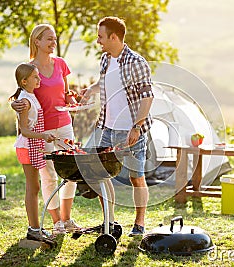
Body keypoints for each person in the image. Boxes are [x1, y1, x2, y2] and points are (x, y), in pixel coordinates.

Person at [81, 16, 154, 236]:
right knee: (100, 175)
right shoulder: (105, 59)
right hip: (107, 128)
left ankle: (139, 223)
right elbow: (103, 83)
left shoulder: (136, 62)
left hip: (132, 129)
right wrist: (90, 91)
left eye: (101, 36)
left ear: (114, 37)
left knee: (136, 177)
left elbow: (147, 97)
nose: (98, 41)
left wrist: (137, 127)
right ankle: (109, 222)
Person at [11, 24, 81, 234]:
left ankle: (67, 219)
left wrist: (71, 99)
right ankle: (56, 220)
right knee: (49, 176)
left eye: (55, 39)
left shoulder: (61, 64)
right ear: (37, 42)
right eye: (49, 39)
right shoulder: (29, 69)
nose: (53, 43)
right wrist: (14, 105)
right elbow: (22, 96)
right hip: (43, 132)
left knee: (71, 172)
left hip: (65, 125)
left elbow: (66, 92)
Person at [9, 63, 56, 242]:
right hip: (27, 146)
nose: (39, 79)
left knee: (34, 186)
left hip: (33, 145)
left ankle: (36, 227)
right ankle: (33, 229)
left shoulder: (29, 96)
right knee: (33, 187)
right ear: (24, 81)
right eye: (36, 77)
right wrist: (44, 135)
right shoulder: (25, 101)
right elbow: (25, 131)